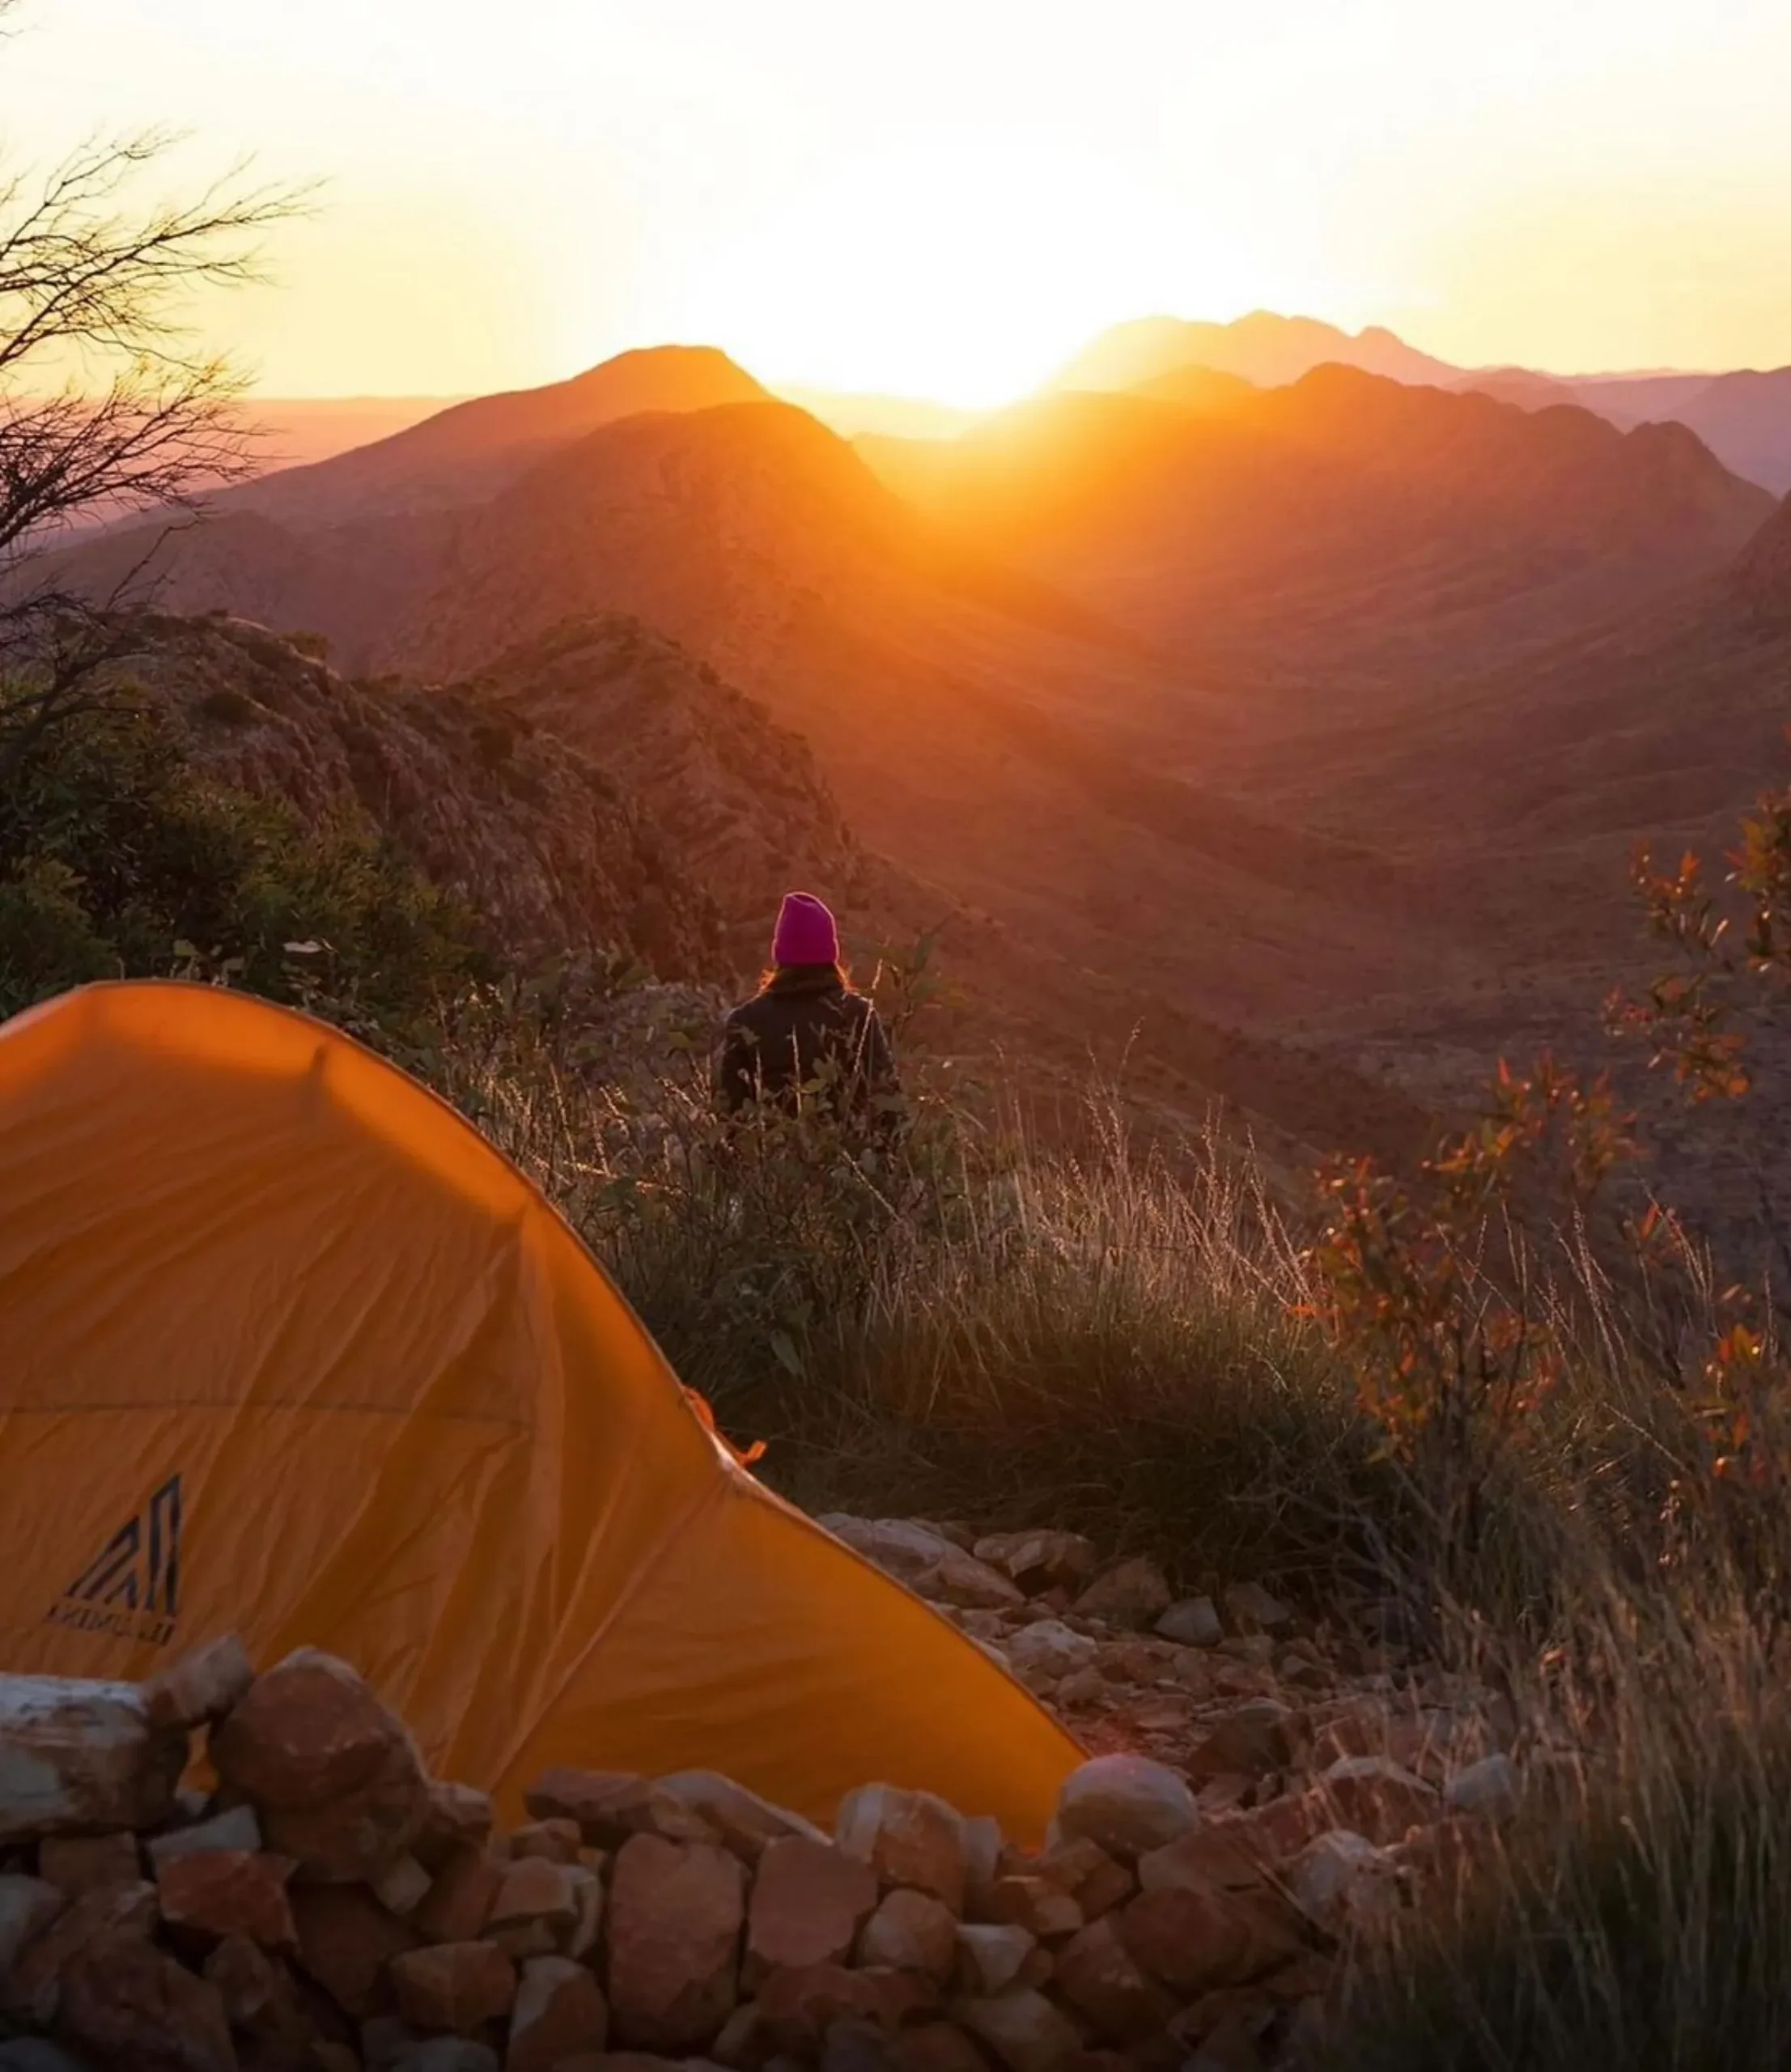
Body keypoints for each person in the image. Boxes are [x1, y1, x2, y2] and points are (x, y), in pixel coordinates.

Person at [715, 892, 901, 1135]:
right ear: (830, 954)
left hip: (769, 1167)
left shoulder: (745, 1021)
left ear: (780, 954)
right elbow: (890, 1111)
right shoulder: (858, 1016)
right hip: (848, 1165)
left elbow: (729, 1118)